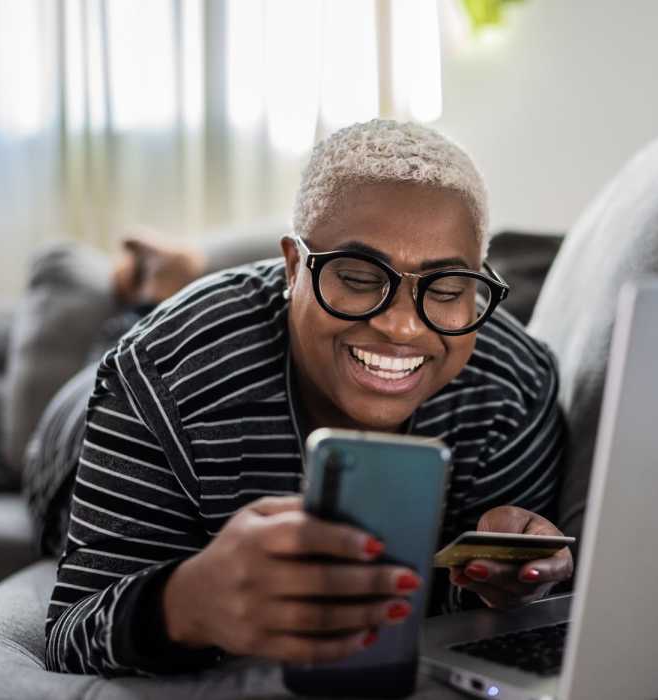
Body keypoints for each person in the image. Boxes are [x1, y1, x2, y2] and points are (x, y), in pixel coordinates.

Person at [44, 119, 570, 677]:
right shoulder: (155, 374)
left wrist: (502, 586)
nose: (403, 328)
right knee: (118, 342)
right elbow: (71, 631)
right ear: (294, 268)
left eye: (444, 289)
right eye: (360, 276)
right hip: (70, 430)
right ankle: (148, 291)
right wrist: (184, 603)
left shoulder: (515, 385)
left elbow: (489, 613)